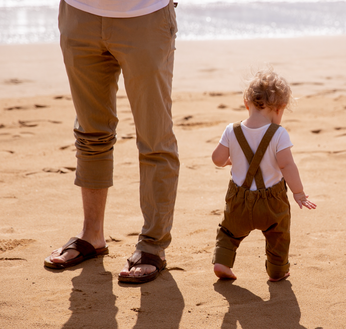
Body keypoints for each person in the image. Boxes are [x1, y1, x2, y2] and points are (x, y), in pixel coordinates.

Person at [43, 0, 180, 284]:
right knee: (90, 133)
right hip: (79, 15)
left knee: (155, 139)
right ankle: (91, 236)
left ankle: (153, 246)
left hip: (145, 17)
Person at [211, 67, 316, 282]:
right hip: (272, 203)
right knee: (278, 235)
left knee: (228, 232)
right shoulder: (279, 134)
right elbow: (287, 166)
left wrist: (230, 160)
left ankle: (222, 261)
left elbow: (217, 159)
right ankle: (277, 270)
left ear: (246, 103)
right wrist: (299, 192)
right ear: (280, 109)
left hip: (238, 201)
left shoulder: (232, 130)